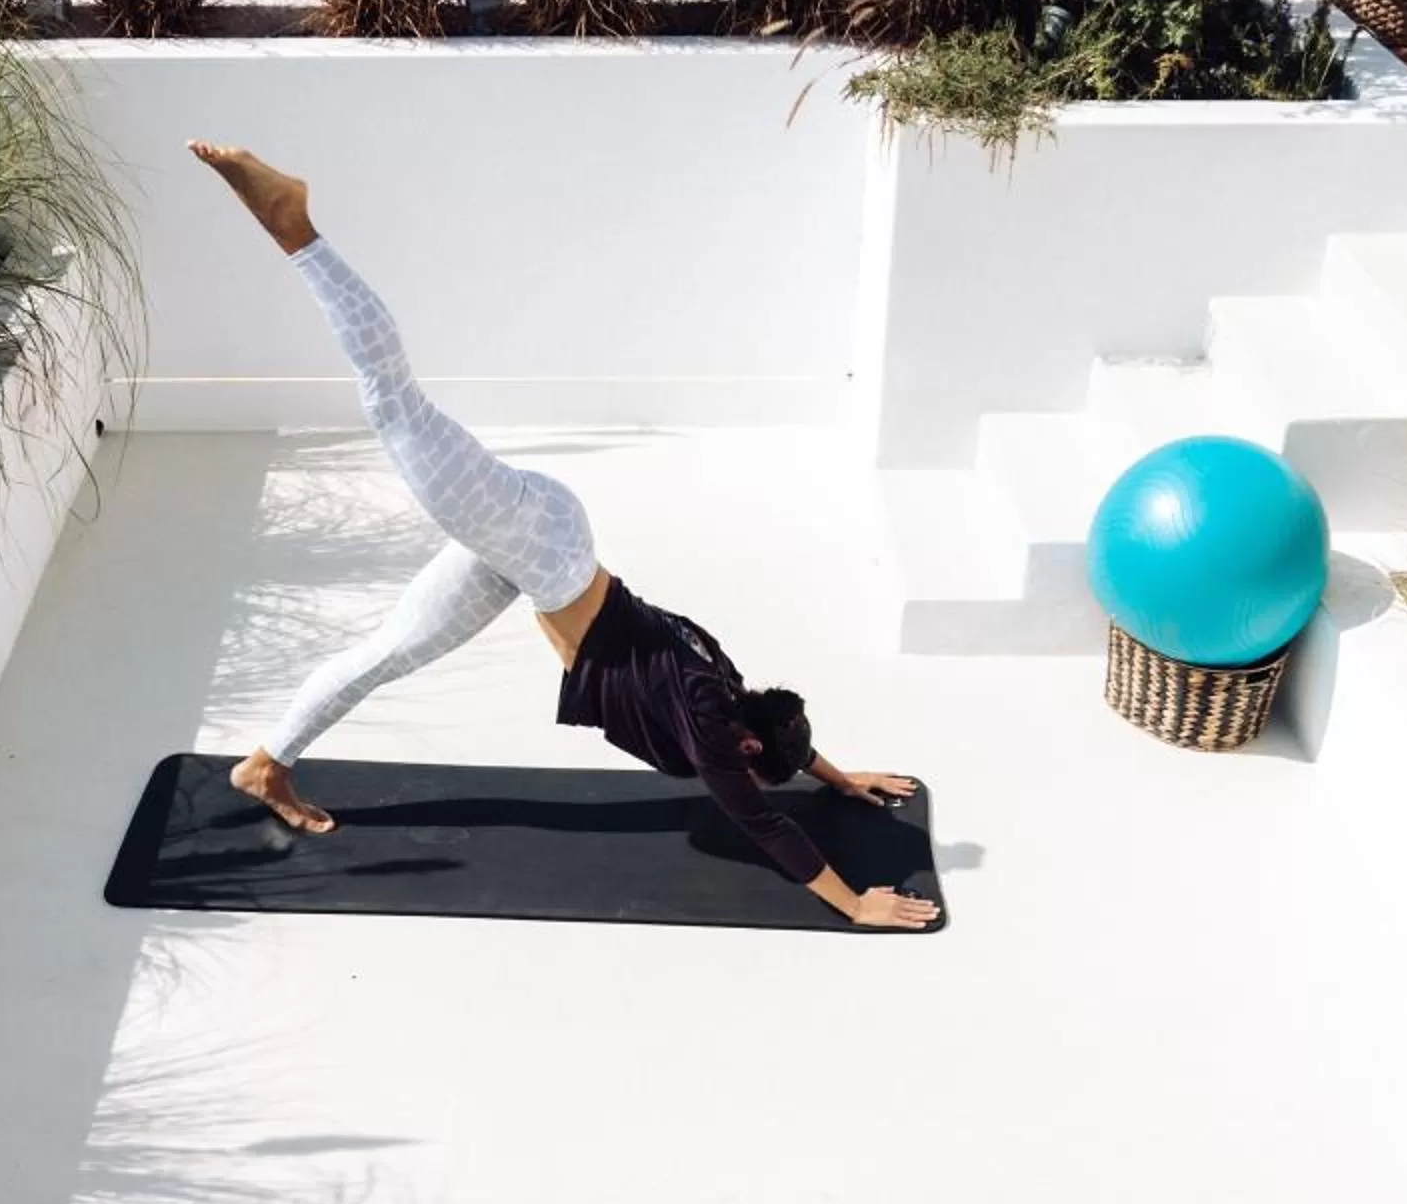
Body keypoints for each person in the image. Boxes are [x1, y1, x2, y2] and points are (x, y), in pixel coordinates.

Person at [188, 144, 940, 931]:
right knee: (393, 402)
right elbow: (760, 821)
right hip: (541, 550)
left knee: (389, 651)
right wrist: (855, 904)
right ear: (746, 751)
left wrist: (838, 774)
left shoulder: (727, 682)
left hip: (541, 548)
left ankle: (265, 766)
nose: (752, 774)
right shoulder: (714, 724)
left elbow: (776, 734)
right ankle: (297, 230)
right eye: (760, 765)